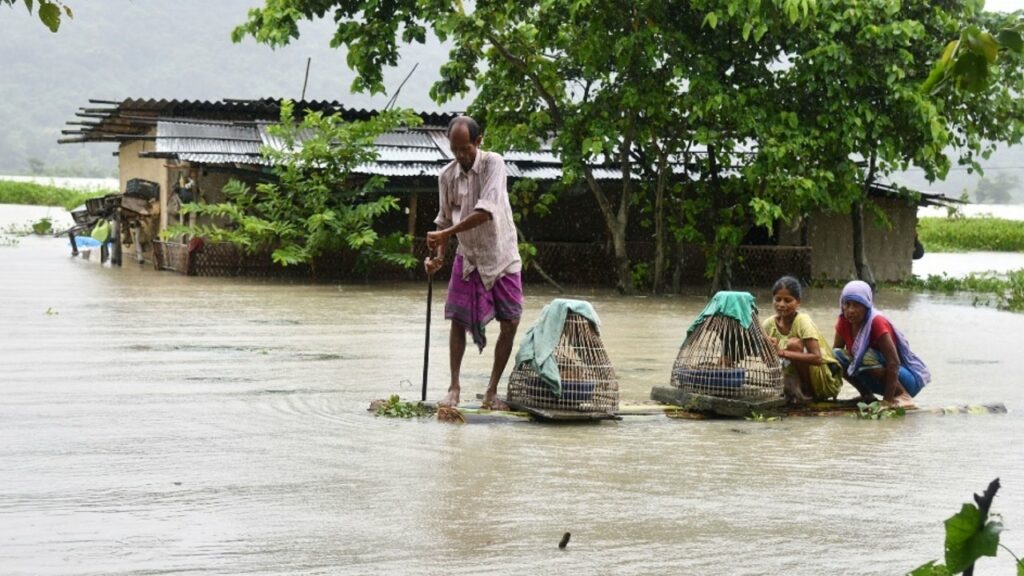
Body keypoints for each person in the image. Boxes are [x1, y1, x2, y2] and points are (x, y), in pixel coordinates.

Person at [424, 116, 523, 411]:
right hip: (468, 257)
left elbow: (485, 211)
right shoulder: (447, 176)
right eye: (454, 150)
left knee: (511, 322)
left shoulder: (494, 164)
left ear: (478, 142)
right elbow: (443, 218)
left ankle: (492, 391)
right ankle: (453, 388)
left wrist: (445, 233)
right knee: (457, 319)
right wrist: (438, 256)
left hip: (501, 254)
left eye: (465, 149)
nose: (460, 156)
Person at [832, 280, 930, 408]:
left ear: (866, 306)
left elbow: (894, 363)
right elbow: (836, 356)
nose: (850, 310)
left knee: (864, 355)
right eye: (847, 304)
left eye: (856, 305)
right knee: (836, 355)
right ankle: (866, 395)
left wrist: (887, 402)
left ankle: (903, 396)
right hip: (878, 380)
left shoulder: (876, 322)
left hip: (903, 379)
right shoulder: (844, 321)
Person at [762, 276, 843, 404]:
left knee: (793, 344)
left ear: (798, 302)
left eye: (787, 300)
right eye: (778, 299)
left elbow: (817, 358)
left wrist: (781, 352)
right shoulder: (768, 324)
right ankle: (791, 391)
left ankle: (807, 392)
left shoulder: (802, 321)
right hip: (791, 377)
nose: (781, 304)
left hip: (822, 380)